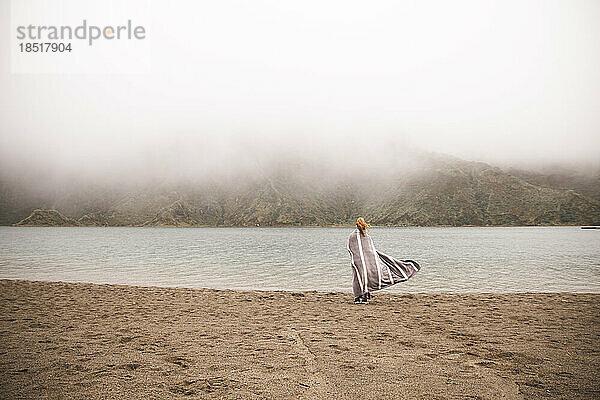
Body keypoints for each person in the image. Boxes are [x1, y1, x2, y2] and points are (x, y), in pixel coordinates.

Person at [347, 217, 421, 304]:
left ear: (356, 225)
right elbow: (370, 250)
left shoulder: (352, 236)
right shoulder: (367, 236)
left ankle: (358, 297)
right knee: (367, 275)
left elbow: (350, 248)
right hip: (369, 260)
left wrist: (356, 258)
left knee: (358, 276)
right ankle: (364, 296)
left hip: (357, 260)